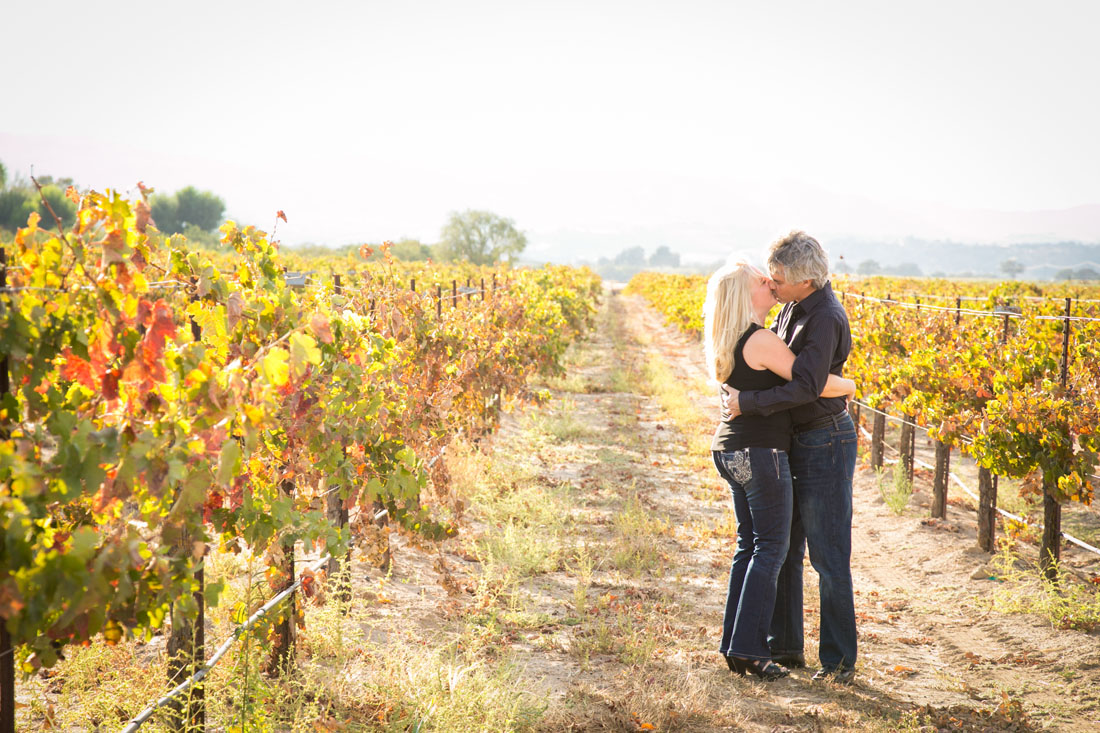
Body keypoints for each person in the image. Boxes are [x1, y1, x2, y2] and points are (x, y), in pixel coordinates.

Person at [705, 259, 855, 681]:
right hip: (760, 454)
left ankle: (736, 646)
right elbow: (811, 383)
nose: (769, 282)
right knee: (771, 549)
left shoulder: (730, 336)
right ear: (744, 294)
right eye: (760, 280)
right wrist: (849, 386)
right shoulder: (762, 339)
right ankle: (750, 649)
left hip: (730, 450)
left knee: (749, 547)